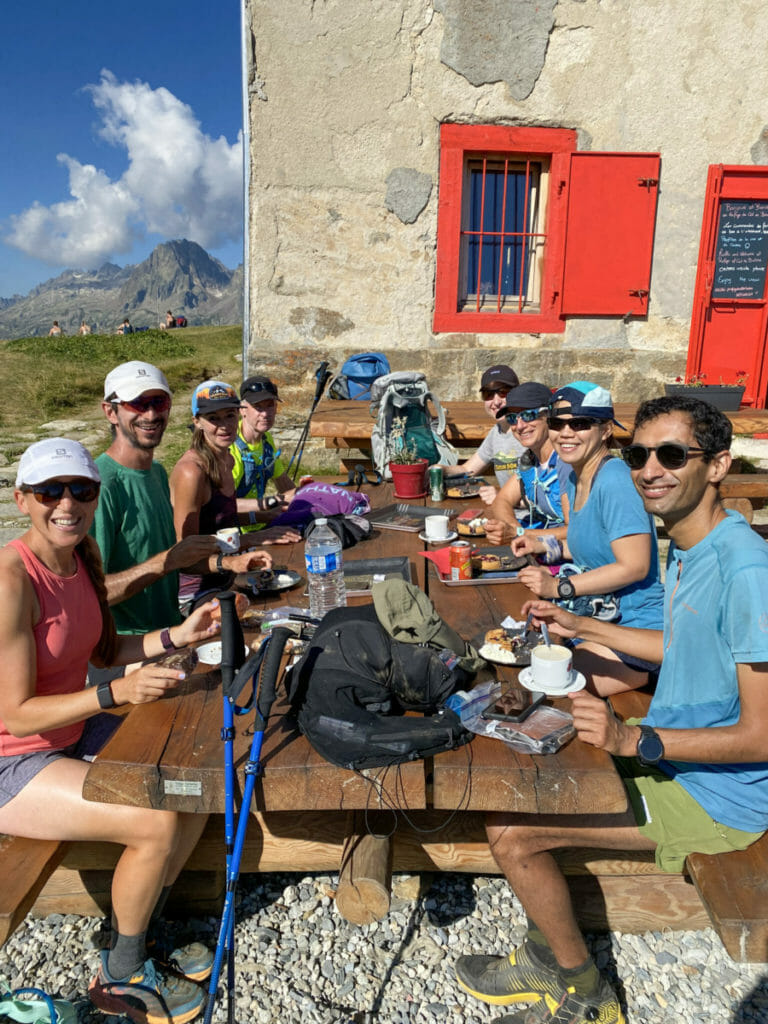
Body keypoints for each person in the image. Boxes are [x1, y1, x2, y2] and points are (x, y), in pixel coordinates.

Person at [454, 394, 768, 1024]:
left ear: (718, 466)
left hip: (721, 796)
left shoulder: (745, 568)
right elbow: (678, 645)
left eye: (673, 454)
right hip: (671, 747)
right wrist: (574, 622)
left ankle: (583, 994)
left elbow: (762, 737)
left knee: (511, 830)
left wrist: (636, 744)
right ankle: (547, 946)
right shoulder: (691, 544)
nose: (650, 469)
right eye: (640, 454)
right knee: (526, 753)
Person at [0, 437, 221, 1023]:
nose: (66, 502)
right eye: (50, 491)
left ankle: (142, 927)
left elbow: (106, 647)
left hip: (72, 731)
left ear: (95, 495)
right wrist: (113, 693)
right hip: (13, 762)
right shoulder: (11, 580)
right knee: (153, 818)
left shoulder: (79, 555)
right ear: (23, 499)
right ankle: (120, 975)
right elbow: (16, 712)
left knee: (193, 782)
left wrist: (181, 634)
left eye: (80, 489)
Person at [512, 381, 664, 695]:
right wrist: (545, 546)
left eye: (580, 423)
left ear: (606, 429)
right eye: (557, 423)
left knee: (552, 684)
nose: (565, 433)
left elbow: (633, 566)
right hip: (597, 617)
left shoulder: (615, 480)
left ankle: (661, 678)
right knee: (522, 654)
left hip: (635, 624)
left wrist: (559, 586)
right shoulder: (576, 477)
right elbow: (590, 547)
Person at [170, 380, 298, 612]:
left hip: (228, 576)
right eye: (213, 418)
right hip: (196, 593)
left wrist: (264, 519)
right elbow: (184, 556)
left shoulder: (227, 458)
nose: (224, 426)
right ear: (197, 421)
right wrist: (250, 541)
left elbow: (221, 520)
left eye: (229, 415)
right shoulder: (192, 472)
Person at [482, 382, 569, 546]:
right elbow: (503, 500)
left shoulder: (565, 462)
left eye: (529, 415)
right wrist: (513, 529)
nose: (520, 426)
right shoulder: (529, 460)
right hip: (537, 545)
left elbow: (574, 531)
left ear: (548, 416)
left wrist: (519, 533)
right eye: (513, 418)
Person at [439, 364, 524, 504]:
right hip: (507, 510)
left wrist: (503, 498)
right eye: (489, 394)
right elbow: (468, 469)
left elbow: (543, 495)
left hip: (530, 518)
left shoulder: (528, 431)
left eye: (504, 393)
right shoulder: (496, 432)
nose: (496, 402)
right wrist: (440, 469)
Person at [231, 375, 297, 533]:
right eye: (258, 407)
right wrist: (273, 501)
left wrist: (304, 495)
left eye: (270, 406)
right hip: (236, 534)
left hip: (264, 524)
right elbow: (223, 506)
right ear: (242, 410)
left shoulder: (266, 440)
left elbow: (282, 481)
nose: (265, 414)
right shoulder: (231, 449)